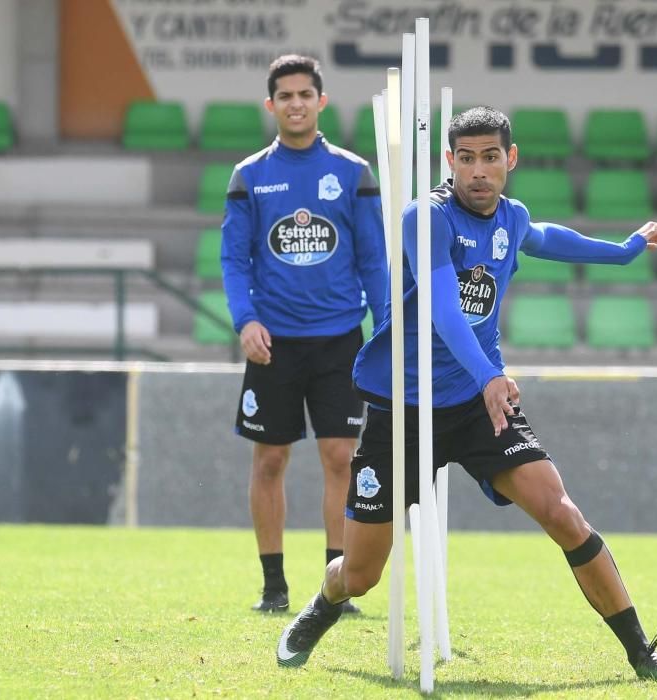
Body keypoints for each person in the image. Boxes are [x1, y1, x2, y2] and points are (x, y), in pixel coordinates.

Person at [276, 106, 657, 682]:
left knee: (562, 512)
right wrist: (489, 376)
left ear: (510, 159)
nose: (478, 170)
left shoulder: (512, 218)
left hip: (478, 408)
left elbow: (547, 237)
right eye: (466, 158)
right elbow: (446, 311)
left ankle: (643, 654)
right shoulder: (427, 217)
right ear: (450, 161)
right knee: (362, 575)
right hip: (404, 409)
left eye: (490, 157)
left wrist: (623, 249)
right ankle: (324, 602)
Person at [221, 54, 387, 615]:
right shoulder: (249, 176)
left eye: (305, 94)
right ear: (271, 106)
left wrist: (384, 324)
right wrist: (245, 320)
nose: (296, 103)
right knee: (269, 461)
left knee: (341, 457)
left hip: (341, 339)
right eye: (285, 95)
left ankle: (333, 588)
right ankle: (273, 587)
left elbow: (374, 260)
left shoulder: (352, 173)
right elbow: (234, 260)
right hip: (275, 344)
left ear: (322, 101)